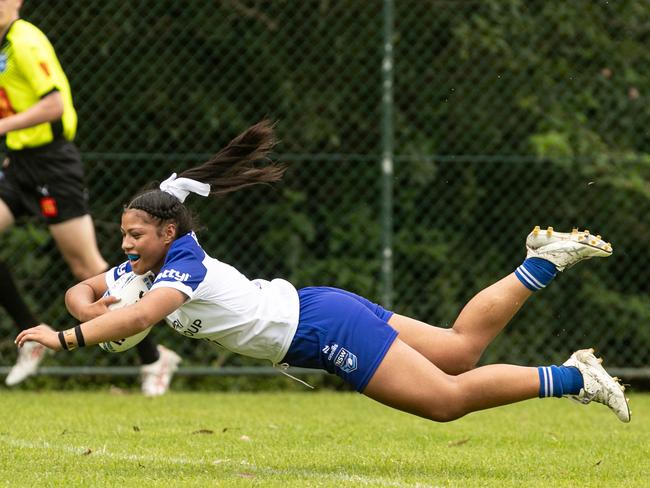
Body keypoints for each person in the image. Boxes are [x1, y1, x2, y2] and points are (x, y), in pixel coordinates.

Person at [16, 120, 630, 423]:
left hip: (319, 330)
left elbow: (142, 316)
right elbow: (85, 286)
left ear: (168, 233)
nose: (123, 244)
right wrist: (88, 308)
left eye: (134, 234)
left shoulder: (182, 270)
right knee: (459, 349)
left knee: (445, 400)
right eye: (122, 234)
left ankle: (574, 379)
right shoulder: (143, 265)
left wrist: (64, 336)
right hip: (318, 305)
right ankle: (539, 264)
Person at [0, 0, 180, 395]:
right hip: (19, 163)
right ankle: (31, 339)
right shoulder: (3, 47)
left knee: (88, 270)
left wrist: (4, 126)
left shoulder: (26, 40)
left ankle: (153, 358)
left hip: (52, 163)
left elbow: (54, 105)